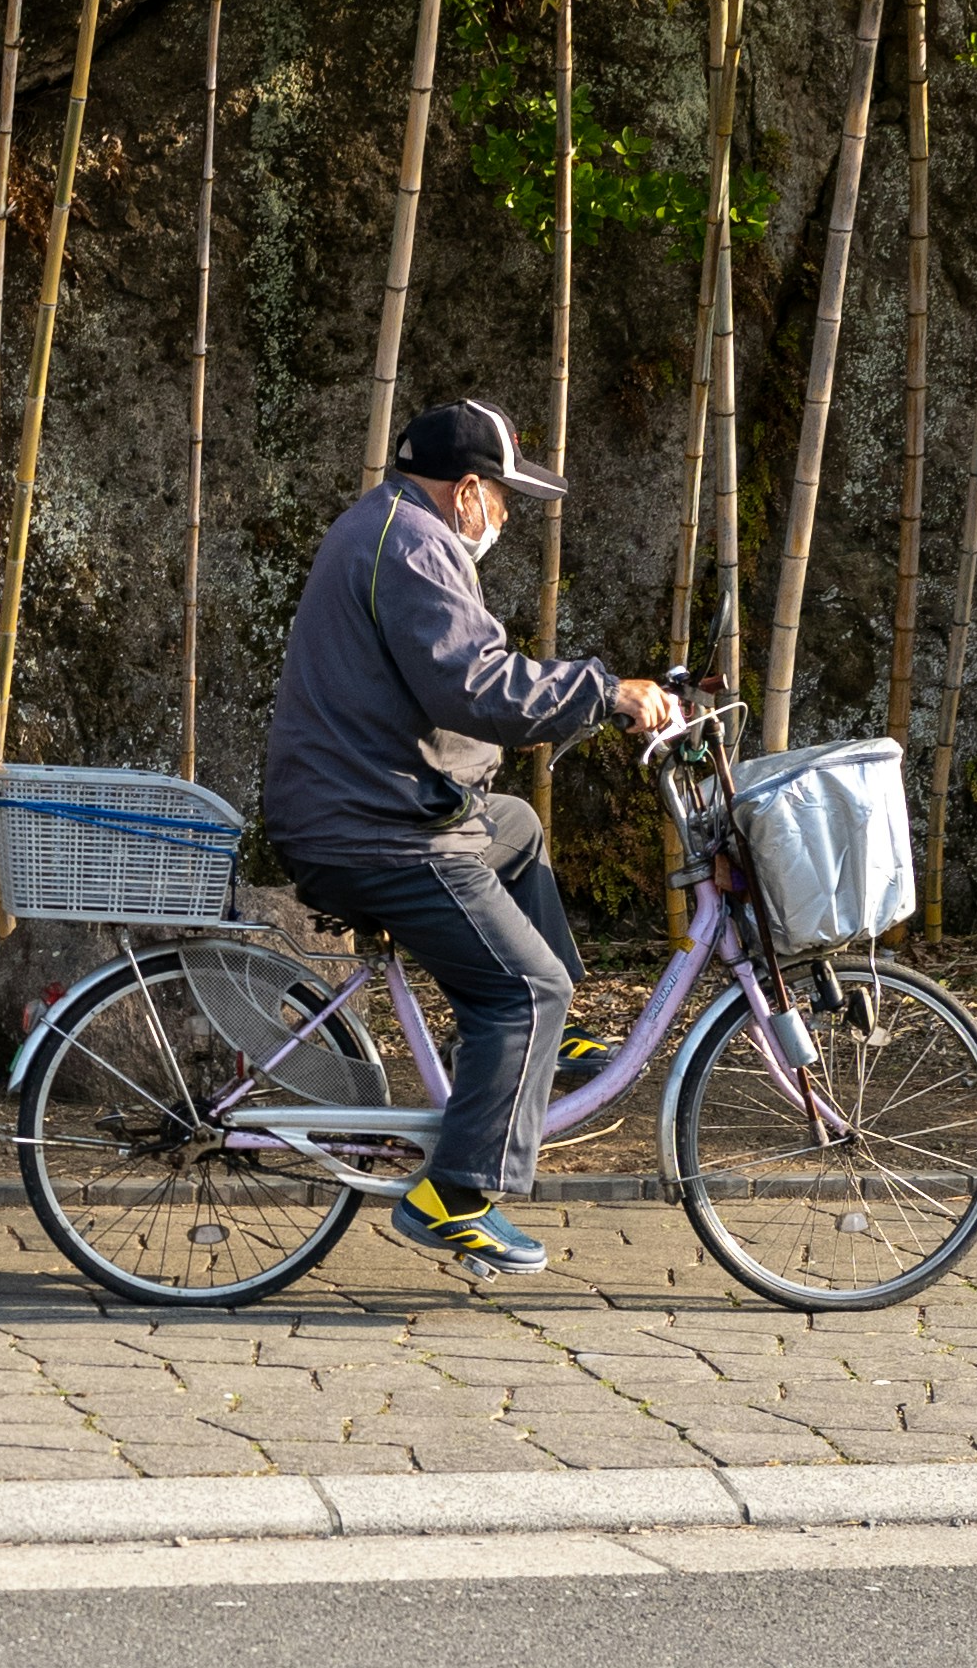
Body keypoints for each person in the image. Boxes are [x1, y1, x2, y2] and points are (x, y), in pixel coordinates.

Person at [257, 394, 683, 1282]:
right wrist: (605, 692)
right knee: (527, 987)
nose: (505, 516)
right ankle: (454, 1193)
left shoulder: (390, 527)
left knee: (518, 830)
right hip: (374, 830)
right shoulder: (415, 547)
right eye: (502, 496)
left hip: (379, 807)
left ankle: (530, 1053)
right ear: (465, 493)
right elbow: (473, 687)